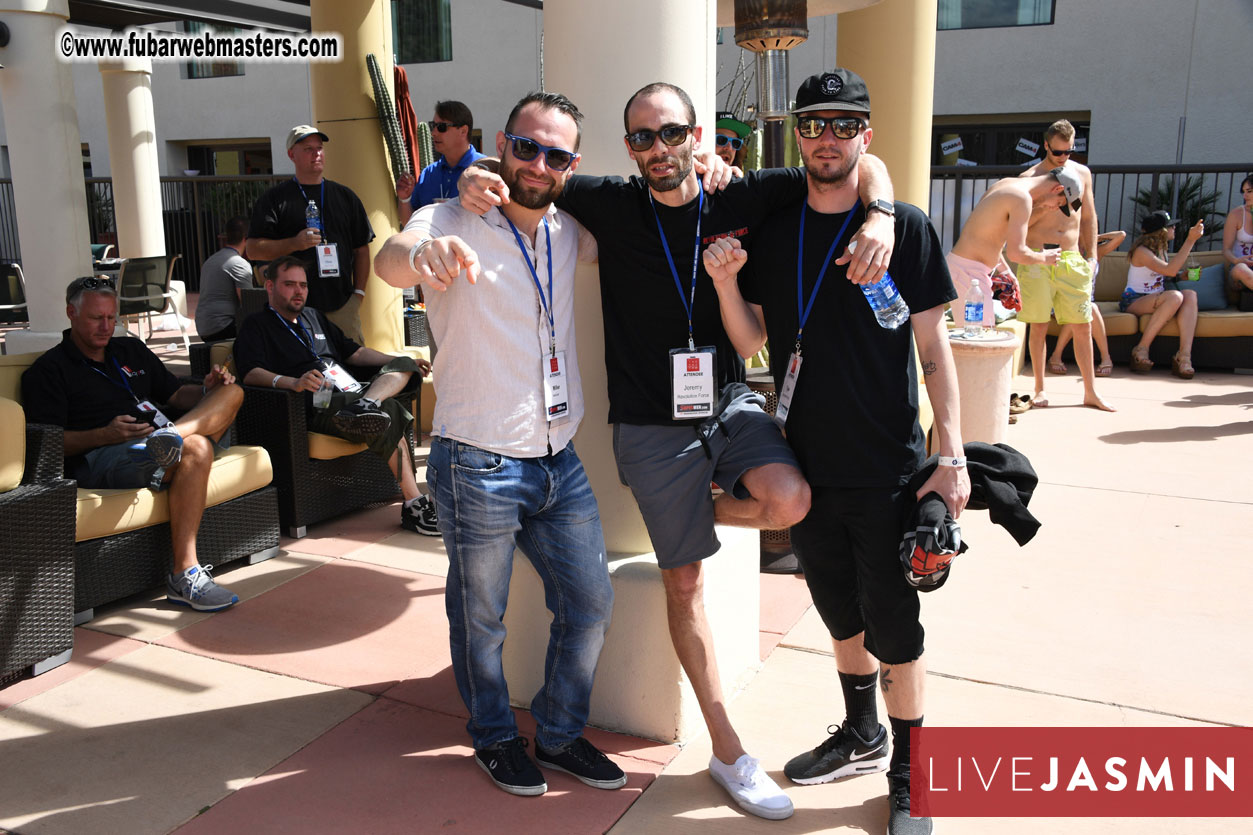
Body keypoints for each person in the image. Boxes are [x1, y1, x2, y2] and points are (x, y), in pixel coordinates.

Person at [456, 80, 898, 821]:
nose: (656, 150)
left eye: (670, 135)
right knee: (684, 583)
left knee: (790, 498)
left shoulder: (741, 193)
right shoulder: (603, 199)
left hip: (724, 402)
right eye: (640, 138)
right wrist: (474, 172)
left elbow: (856, 166)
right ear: (625, 148)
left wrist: (880, 212)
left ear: (697, 136)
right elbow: (522, 175)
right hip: (647, 426)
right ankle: (728, 750)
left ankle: (690, 514)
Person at [703, 67, 968, 835]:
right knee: (837, 610)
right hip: (805, 460)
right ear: (796, 134)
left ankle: (911, 774)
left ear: (866, 135)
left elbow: (933, 345)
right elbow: (754, 340)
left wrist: (948, 457)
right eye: (813, 123)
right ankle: (861, 731)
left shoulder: (903, 226)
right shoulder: (775, 224)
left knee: (896, 624)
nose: (827, 137)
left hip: (886, 461)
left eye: (843, 123)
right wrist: (724, 284)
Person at [374, 92, 625, 798]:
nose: (537, 164)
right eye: (525, 147)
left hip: (558, 458)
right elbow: (391, 260)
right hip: (476, 457)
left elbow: (650, 218)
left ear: (571, 165)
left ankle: (560, 732)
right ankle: (492, 735)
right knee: (479, 615)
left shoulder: (569, 228)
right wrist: (421, 251)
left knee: (590, 604)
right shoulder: (451, 215)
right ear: (501, 144)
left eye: (556, 154)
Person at [22, 276, 245, 612]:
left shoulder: (130, 350)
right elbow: (47, 444)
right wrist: (104, 435)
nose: (106, 326)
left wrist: (205, 388)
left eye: (112, 318)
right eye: (97, 318)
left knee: (233, 391)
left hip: (159, 437)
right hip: (105, 455)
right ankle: (185, 575)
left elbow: (173, 393)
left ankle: (172, 437)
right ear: (71, 312)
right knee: (197, 447)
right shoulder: (49, 371)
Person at [232, 256, 432, 530]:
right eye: (290, 284)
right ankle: (414, 502)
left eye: (303, 285)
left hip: (352, 392)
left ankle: (367, 403)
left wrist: (397, 359)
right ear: (270, 286)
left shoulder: (313, 317)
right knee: (389, 410)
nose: (299, 291)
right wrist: (293, 382)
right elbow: (250, 372)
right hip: (317, 402)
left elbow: (356, 352)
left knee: (405, 364)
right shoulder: (256, 325)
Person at [246, 125, 374, 343]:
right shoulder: (275, 199)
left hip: (341, 304)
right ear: (291, 154)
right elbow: (253, 249)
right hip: (294, 307)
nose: (316, 154)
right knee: (303, 367)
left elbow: (361, 249)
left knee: (351, 365)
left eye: (319, 148)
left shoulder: (345, 196)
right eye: (307, 149)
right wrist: (295, 243)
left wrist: (358, 295)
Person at [1017, 120, 1113, 410]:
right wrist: (1046, 204)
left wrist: (1092, 257)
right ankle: (1039, 389)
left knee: (1082, 325)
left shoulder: (1082, 173)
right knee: (1039, 326)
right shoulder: (1029, 177)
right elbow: (1018, 224)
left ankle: (1090, 392)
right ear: (1046, 145)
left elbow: (1089, 216)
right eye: (1057, 152)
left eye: (1068, 152)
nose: (1063, 158)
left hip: (1071, 257)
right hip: (1037, 256)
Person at [945, 169, 1072, 328]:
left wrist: (1006, 272)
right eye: (1058, 204)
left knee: (978, 342)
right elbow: (1016, 253)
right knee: (979, 345)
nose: (1053, 208)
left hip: (965, 271)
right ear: (1058, 189)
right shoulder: (1022, 198)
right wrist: (1045, 258)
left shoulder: (1005, 184)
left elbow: (989, 238)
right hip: (968, 274)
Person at [1121, 211, 1205, 378]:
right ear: (1161, 231)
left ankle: (1184, 356)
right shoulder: (1142, 251)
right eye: (1171, 226)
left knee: (1190, 295)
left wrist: (1182, 275)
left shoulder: (1161, 249)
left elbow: (1164, 274)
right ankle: (1141, 349)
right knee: (1175, 296)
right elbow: (1170, 270)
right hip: (1134, 300)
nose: (1174, 227)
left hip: (1155, 297)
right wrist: (1190, 240)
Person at [1047, 229, 1125, 376]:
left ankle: (1056, 356)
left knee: (1085, 307)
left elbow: (1121, 236)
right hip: (1060, 303)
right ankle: (1105, 358)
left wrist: (1092, 238)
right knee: (1082, 307)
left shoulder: (1094, 253)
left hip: (1083, 304)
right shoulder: (1062, 252)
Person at [395, 100, 486, 226]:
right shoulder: (428, 173)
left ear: (463, 131)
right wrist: (404, 199)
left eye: (441, 127)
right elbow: (410, 223)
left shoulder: (485, 169)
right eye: (433, 125)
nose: (434, 133)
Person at [194, 215, 253, 343]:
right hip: (222, 327)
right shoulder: (239, 264)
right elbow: (249, 304)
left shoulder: (211, 260)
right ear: (246, 239)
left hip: (203, 327)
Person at [1221, 173, 1253, 292]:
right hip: (1239, 268)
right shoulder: (1236, 214)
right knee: (1241, 269)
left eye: (1249, 191)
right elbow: (1226, 249)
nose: (1245, 195)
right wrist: (1236, 260)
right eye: (1243, 191)